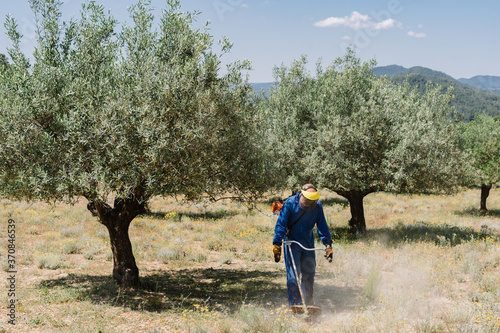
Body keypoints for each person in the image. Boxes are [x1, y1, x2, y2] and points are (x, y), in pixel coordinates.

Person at [272, 184, 333, 307]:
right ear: (301, 195)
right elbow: (281, 225)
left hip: (308, 244)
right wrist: (277, 244)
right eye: (306, 200)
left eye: (311, 201)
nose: (308, 203)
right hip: (291, 243)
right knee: (293, 276)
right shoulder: (290, 204)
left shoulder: (317, 207)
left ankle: (308, 304)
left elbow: (322, 226)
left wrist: (328, 245)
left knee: (309, 275)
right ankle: (295, 304)